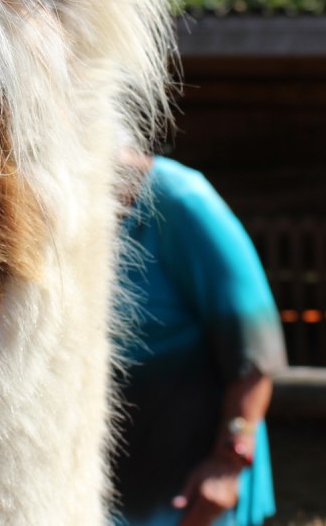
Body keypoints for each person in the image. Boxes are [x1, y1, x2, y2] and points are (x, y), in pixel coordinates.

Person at [113, 154, 287, 526]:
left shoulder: (180, 200)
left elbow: (254, 344)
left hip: (191, 496)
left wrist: (228, 464)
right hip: (108, 486)